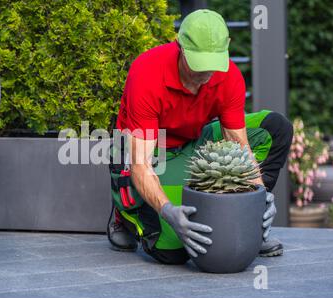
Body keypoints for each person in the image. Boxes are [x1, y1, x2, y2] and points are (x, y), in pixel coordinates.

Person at [107, 9, 293, 265]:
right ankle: (124, 212)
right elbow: (142, 163)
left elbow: (238, 146)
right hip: (150, 152)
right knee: (174, 252)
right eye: (198, 63)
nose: (206, 73)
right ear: (180, 47)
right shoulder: (147, 73)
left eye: (213, 63)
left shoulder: (229, 76)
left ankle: (246, 223)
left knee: (274, 129)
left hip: (193, 139)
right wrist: (167, 210)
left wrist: (258, 197)